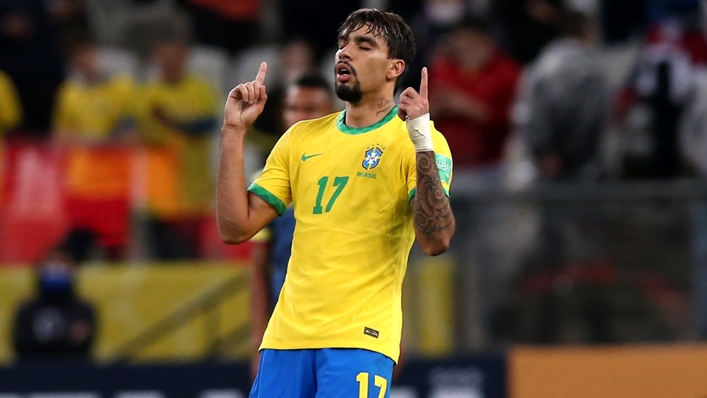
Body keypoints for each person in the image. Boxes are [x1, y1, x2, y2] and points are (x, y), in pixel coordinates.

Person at [217, 8, 455, 397]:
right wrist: (232, 132)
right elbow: (234, 227)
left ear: (395, 67)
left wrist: (422, 143)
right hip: (285, 339)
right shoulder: (300, 139)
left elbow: (436, 240)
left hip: (358, 338)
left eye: (364, 45)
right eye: (343, 44)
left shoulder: (415, 141)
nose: (345, 53)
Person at [249, 73, 336, 379]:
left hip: (347, 326)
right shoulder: (268, 182)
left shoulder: (357, 172)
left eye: (310, 109)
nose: (300, 118)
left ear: (333, 112)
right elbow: (259, 268)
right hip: (287, 330)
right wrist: (258, 341)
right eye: (292, 108)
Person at [53, 37, 138, 262]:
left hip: (115, 183)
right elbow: (62, 137)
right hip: (82, 182)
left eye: (88, 55)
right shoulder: (69, 94)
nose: (85, 62)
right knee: (78, 244)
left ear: (98, 55)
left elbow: (130, 133)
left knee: (115, 246)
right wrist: (92, 142)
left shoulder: (122, 89)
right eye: (78, 59)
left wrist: (101, 141)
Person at [139, 39, 219, 259]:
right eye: (165, 59)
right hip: (160, 188)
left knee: (191, 253)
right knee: (162, 254)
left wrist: (170, 121)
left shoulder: (199, 88)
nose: (170, 64)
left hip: (193, 185)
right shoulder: (149, 93)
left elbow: (209, 124)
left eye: (175, 58)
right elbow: (144, 133)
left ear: (184, 59)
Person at [12, 248, 97, 361]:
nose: (56, 268)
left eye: (62, 262)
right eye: (52, 262)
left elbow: (84, 350)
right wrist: (67, 339)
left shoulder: (83, 311)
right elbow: (21, 347)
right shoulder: (27, 310)